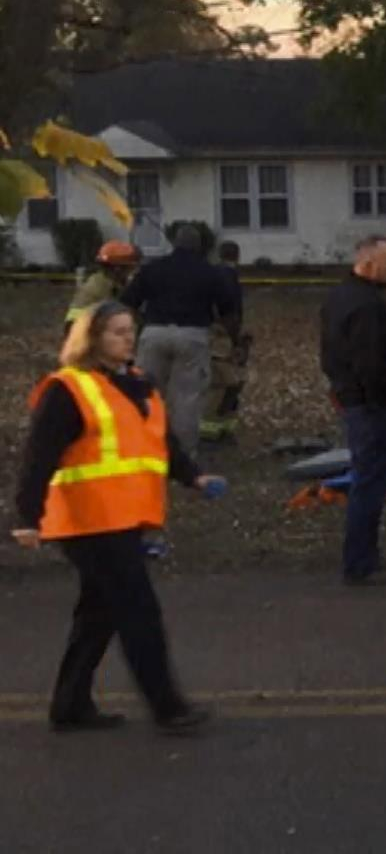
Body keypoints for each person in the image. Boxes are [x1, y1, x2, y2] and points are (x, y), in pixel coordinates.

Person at [11, 302, 225, 736]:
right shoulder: (68, 389)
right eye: (115, 333)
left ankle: (69, 706)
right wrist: (27, 516)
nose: (127, 339)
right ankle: (168, 707)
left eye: (130, 331)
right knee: (137, 611)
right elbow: (38, 456)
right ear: (91, 340)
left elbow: (158, 441)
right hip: (88, 521)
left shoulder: (138, 383)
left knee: (99, 613)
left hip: (123, 517)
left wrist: (193, 477)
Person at [319, 235, 386, 586]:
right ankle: (361, 563)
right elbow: (371, 362)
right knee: (370, 482)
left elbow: (330, 353)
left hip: (354, 399)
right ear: (369, 262)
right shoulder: (369, 308)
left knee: (367, 479)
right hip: (373, 405)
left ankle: (363, 558)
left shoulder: (340, 298)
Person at [119, 222, 240, 458]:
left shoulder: (154, 268)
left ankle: (143, 448)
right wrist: (231, 341)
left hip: (154, 334)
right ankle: (182, 457)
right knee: (187, 398)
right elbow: (229, 312)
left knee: (147, 392)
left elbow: (127, 302)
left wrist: (143, 324)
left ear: (174, 243)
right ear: (201, 246)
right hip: (193, 335)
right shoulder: (209, 272)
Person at [201, 241, 250, 443]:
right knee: (226, 383)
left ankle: (222, 426)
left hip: (215, 335)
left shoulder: (211, 274)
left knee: (228, 383)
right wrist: (238, 339)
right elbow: (232, 311)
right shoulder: (229, 277)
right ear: (237, 256)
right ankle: (212, 430)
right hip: (222, 338)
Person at [66, 240, 140, 327]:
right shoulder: (100, 288)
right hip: (86, 331)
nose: (132, 271)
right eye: (130, 268)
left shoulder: (111, 282)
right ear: (118, 269)